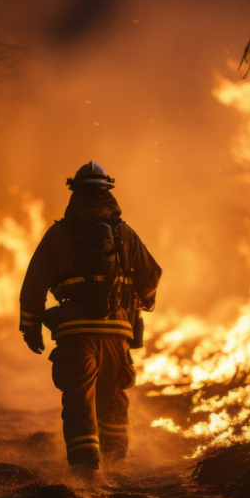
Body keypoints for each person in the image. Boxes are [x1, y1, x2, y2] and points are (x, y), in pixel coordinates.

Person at [19, 162, 162, 471]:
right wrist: (140, 302)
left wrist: (30, 326)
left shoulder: (58, 234)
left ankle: (86, 468)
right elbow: (150, 275)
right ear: (107, 192)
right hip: (117, 330)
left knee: (78, 395)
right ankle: (115, 460)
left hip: (75, 330)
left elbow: (34, 282)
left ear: (75, 193)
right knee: (112, 393)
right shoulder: (125, 234)